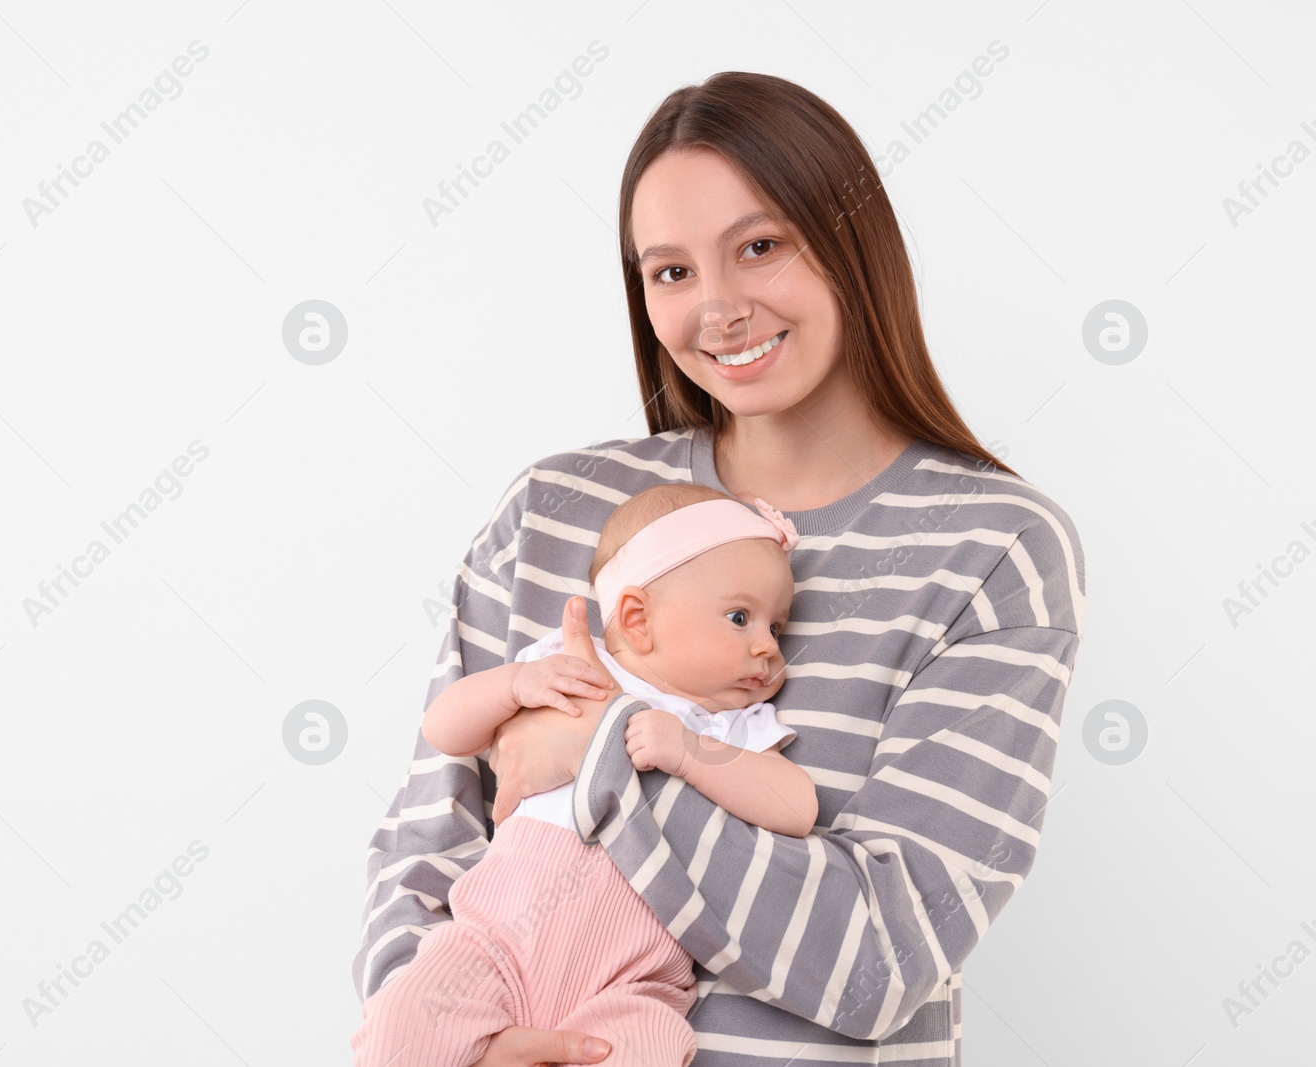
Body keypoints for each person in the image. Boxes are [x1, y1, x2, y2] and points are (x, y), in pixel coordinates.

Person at [354, 70, 1085, 1067]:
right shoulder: (551, 515)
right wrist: (465, 1045)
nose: (720, 307)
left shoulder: (988, 548)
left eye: (759, 245)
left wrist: (599, 752)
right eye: (670, 272)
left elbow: (876, 960)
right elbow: (422, 856)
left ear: (850, 241)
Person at [352, 486, 818, 1066]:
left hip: (634, 980)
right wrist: (513, 687)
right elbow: (444, 730)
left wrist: (688, 751)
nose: (767, 648)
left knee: (644, 1048)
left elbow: (797, 807)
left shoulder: (728, 727)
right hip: (494, 942)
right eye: (740, 617)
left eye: (777, 627)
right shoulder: (567, 668)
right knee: (400, 1026)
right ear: (636, 618)